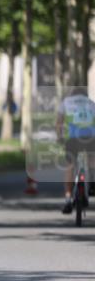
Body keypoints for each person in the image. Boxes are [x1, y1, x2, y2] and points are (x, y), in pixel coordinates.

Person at [56, 85, 95, 214]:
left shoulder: (66, 102)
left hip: (73, 139)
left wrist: (59, 138)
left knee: (70, 166)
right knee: (92, 160)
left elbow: (59, 123)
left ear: (72, 94)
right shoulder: (91, 103)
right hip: (90, 138)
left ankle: (68, 200)